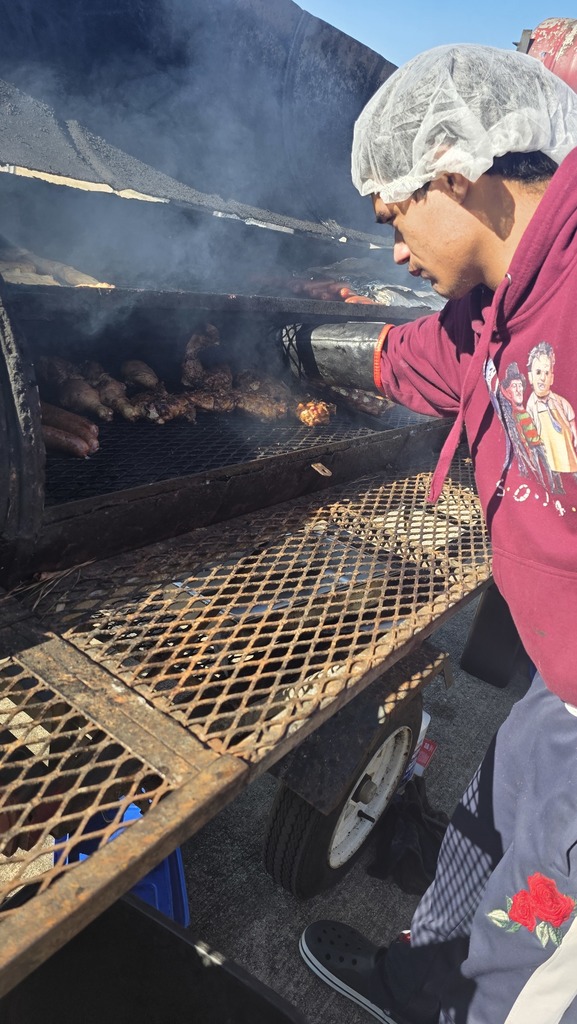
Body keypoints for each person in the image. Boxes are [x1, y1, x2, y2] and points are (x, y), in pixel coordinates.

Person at [298, 44, 577, 1024]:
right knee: (493, 805)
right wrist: (303, 349)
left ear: (454, 173)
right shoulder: (505, 296)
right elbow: (429, 358)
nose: (394, 250)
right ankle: (428, 971)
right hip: (561, 677)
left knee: (544, 946)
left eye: (394, 217)